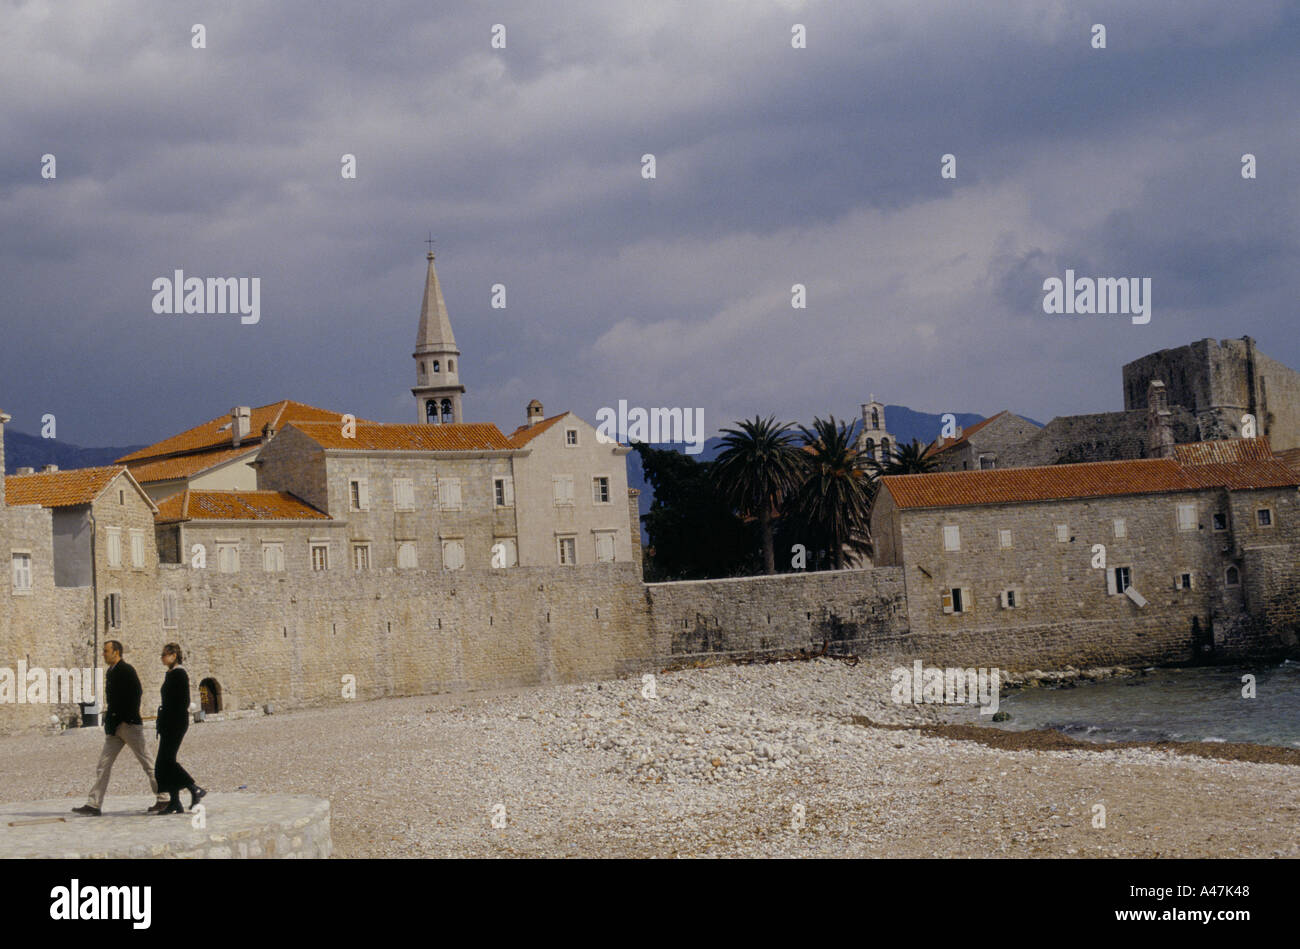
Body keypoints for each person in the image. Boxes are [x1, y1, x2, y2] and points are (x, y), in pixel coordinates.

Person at [72, 641, 169, 816]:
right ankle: (94, 804)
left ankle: (164, 798)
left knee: (147, 762)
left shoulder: (126, 670)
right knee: (103, 765)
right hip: (114, 728)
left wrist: (126, 717)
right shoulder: (111, 672)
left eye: (106, 651)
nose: (103, 654)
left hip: (129, 725)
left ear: (116, 652)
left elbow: (136, 693)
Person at [153, 643, 206, 814]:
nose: (162, 657)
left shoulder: (180, 674)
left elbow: (182, 702)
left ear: (173, 655)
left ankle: (194, 788)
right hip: (168, 723)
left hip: (175, 723)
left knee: (166, 761)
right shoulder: (170, 674)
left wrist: (169, 719)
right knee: (164, 763)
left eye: (164, 654)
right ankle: (175, 801)